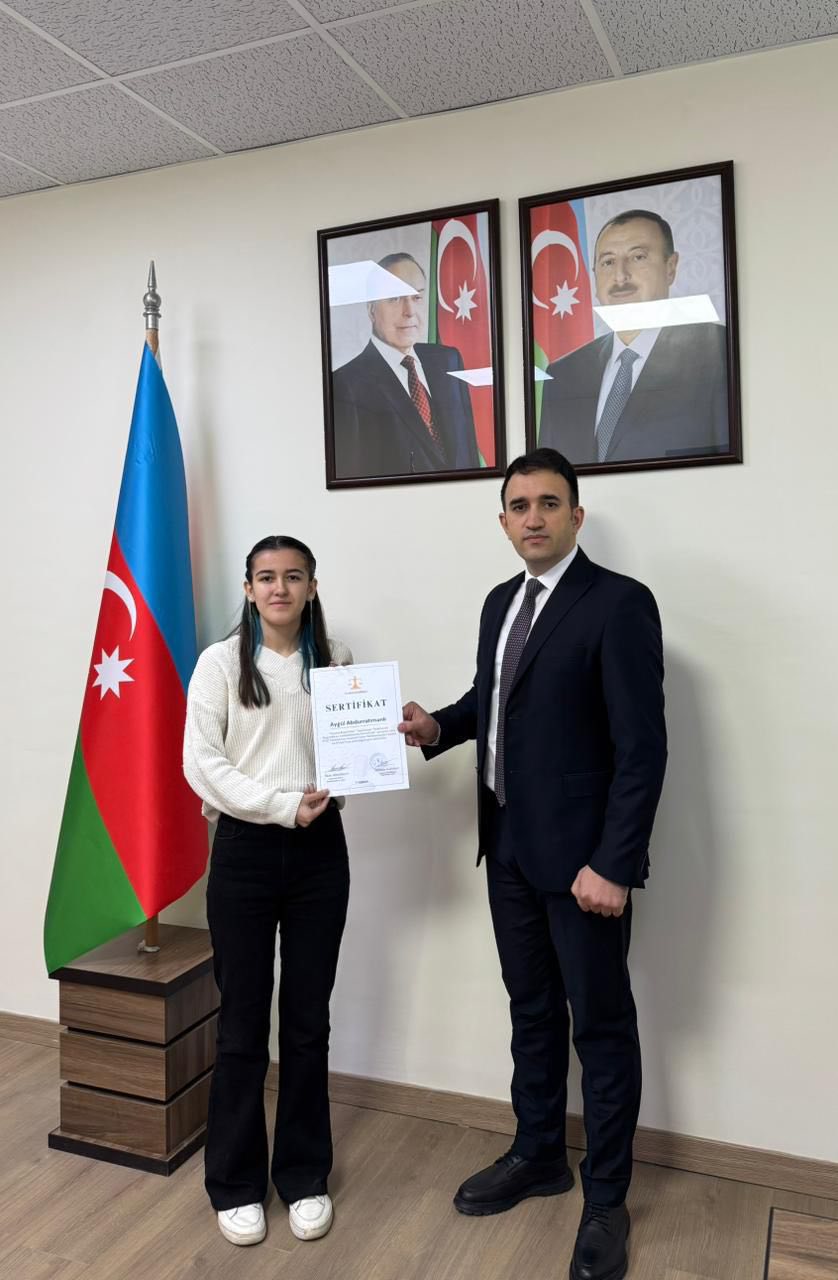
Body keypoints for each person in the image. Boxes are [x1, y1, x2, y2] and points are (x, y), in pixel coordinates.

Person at [399, 449, 667, 1280]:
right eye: (520, 505)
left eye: (550, 503)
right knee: (532, 1012)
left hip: (584, 864)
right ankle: (540, 1152)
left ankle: (607, 1198)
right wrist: (437, 727)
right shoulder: (500, 603)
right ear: (504, 520)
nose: (534, 517)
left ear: (576, 516)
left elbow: (643, 750)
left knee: (602, 1027)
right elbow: (494, 701)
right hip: (508, 848)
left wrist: (614, 864)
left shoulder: (619, 603)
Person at [183, 535, 352, 1248]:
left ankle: (305, 1176)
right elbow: (202, 764)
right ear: (248, 589)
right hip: (246, 853)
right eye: (266, 577)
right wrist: (282, 806)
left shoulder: (336, 665)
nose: (280, 588)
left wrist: (357, 770)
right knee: (243, 1022)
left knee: (308, 1021)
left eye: (293, 576)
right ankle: (235, 1183)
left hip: (321, 856)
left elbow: (347, 760)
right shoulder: (220, 664)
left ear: (312, 587)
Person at [538, 209, 729, 465]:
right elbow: (549, 476)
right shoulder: (563, 374)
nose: (620, 276)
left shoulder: (719, 352)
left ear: (670, 267)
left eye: (638, 257)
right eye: (607, 262)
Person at [332, 252, 480, 478]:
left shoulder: (448, 360)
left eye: (416, 297)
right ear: (371, 310)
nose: (409, 312)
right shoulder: (345, 386)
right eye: (395, 299)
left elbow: (469, 454)